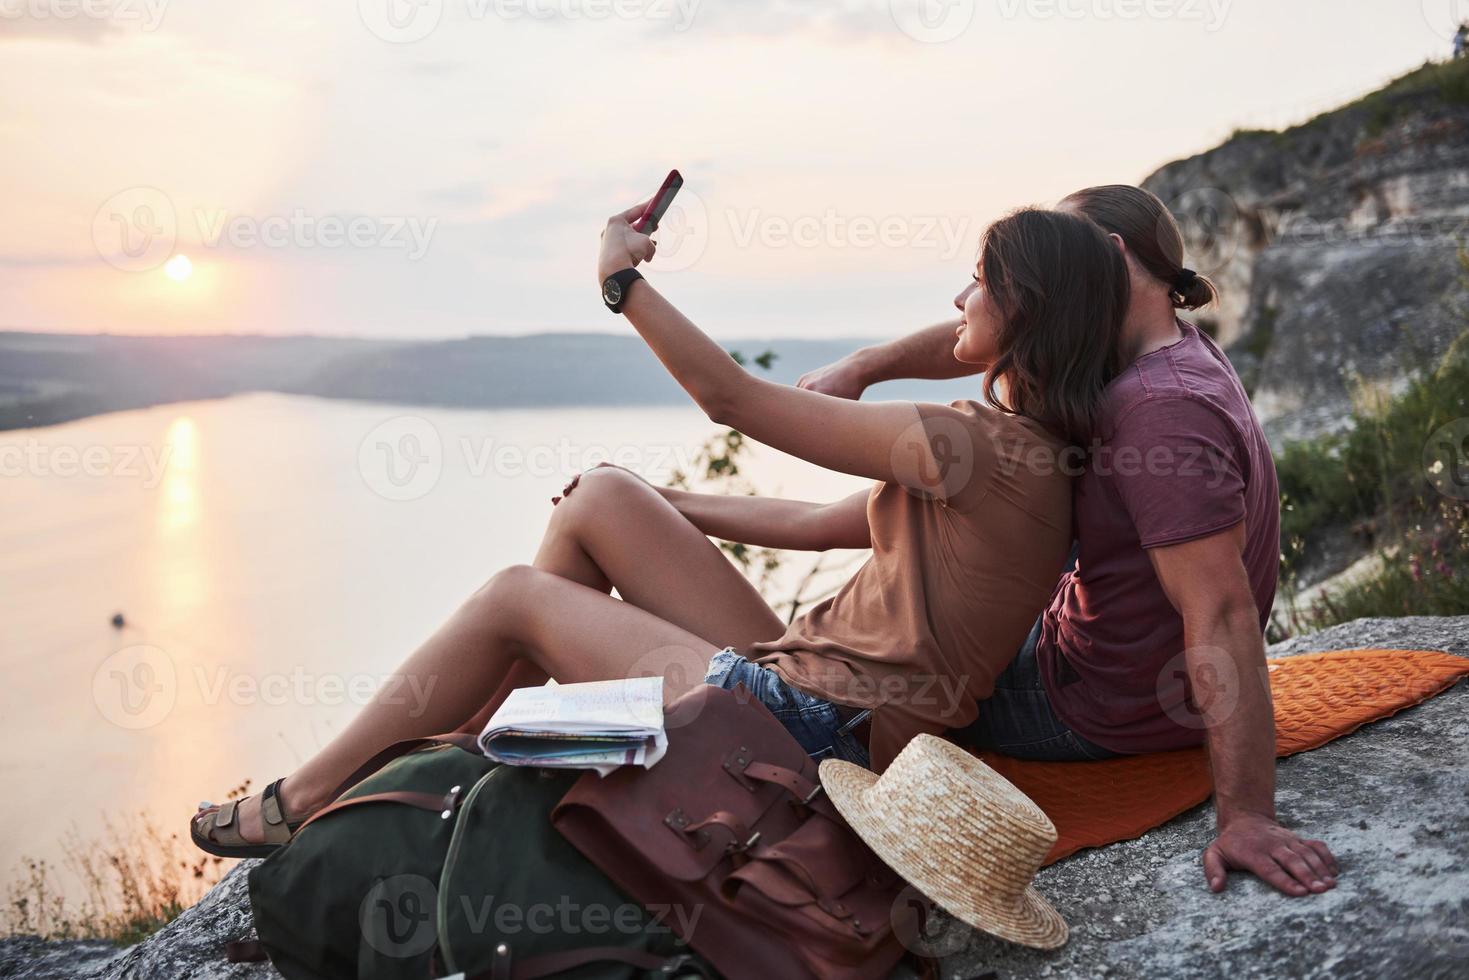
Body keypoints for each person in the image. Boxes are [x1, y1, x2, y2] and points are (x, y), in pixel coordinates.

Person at [190, 204, 1128, 864]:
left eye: (978, 283)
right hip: (809, 699)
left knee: (517, 597)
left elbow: (732, 398)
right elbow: (808, 523)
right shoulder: (1028, 456)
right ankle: (465, 758)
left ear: (1027, 314)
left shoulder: (969, 444)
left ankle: (310, 801)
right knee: (599, 497)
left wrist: (620, 281)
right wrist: (662, 500)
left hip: (817, 744)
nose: (958, 298)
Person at [794, 184, 1340, 899]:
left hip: (1096, 703)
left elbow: (1222, 609)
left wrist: (1245, 815)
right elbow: (1003, 326)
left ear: (1106, 256)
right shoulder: (1161, 345)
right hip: (1108, 667)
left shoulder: (1158, 409)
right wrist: (865, 366)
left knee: (852, 690)